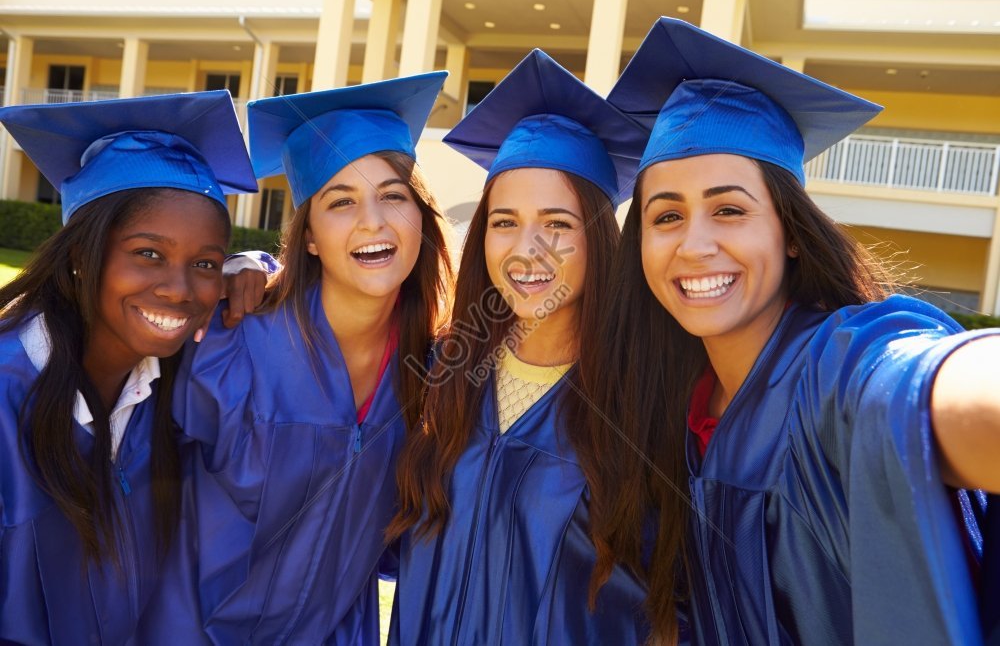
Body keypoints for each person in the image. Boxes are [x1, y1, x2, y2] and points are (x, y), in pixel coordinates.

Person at [586, 17, 1000, 645]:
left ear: (792, 234)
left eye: (729, 209)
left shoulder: (838, 366)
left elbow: (919, 382)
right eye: (666, 215)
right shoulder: (672, 410)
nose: (695, 245)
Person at [148, 72, 455, 645]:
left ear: (420, 218)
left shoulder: (436, 378)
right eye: (341, 202)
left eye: (393, 195)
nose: (373, 221)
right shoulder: (227, 345)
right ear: (309, 235)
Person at [386, 49, 656, 645]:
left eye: (557, 224)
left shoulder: (643, 401)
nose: (527, 248)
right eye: (504, 222)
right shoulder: (440, 372)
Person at [0, 91, 257, 645]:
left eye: (206, 264)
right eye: (148, 253)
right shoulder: (6, 395)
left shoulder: (163, 394)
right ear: (79, 252)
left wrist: (258, 269)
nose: (180, 288)